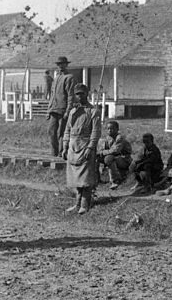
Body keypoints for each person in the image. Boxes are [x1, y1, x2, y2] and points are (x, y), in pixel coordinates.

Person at [61, 84, 101, 215]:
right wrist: (65, 146)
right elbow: (67, 130)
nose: (79, 96)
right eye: (77, 94)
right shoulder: (72, 112)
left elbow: (95, 132)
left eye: (82, 94)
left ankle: (85, 204)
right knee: (75, 179)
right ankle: (77, 203)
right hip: (73, 146)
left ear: (86, 94)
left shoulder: (93, 111)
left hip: (85, 146)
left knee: (86, 178)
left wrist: (90, 147)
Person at [47, 57, 76, 157]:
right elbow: (52, 95)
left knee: (61, 133)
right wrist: (48, 110)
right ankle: (54, 153)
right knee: (51, 131)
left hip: (63, 109)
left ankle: (61, 153)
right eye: (59, 64)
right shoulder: (56, 78)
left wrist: (68, 110)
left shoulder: (69, 77)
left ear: (66, 65)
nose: (60, 66)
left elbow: (71, 95)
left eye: (62, 64)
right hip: (53, 109)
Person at [96, 120, 131, 190]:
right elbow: (101, 150)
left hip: (124, 159)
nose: (109, 130)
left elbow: (115, 151)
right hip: (115, 157)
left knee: (108, 158)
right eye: (108, 129)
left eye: (112, 128)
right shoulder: (107, 138)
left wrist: (102, 152)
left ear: (117, 129)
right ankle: (96, 179)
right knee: (95, 158)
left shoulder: (120, 138)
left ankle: (115, 181)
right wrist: (100, 153)